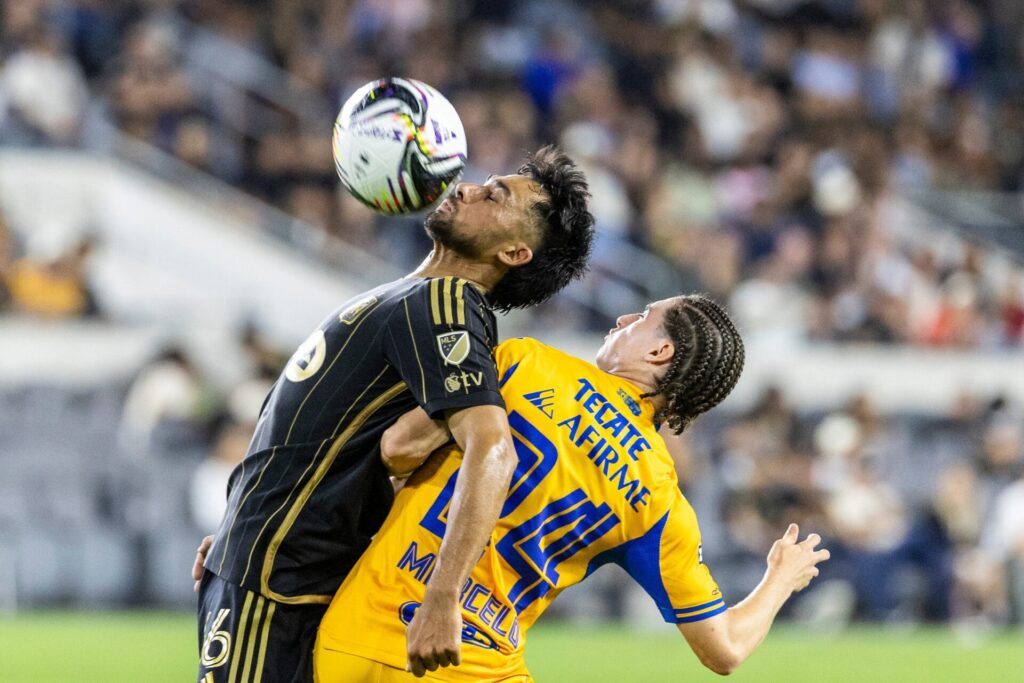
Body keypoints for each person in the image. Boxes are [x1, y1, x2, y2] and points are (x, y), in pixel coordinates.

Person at [193, 146, 594, 683]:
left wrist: (443, 595)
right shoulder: (415, 296)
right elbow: (322, 429)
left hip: (282, 579)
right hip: (265, 561)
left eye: (494, 196)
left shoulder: (447, 302)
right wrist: (239, 519)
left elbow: (493, 446)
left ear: (516, 253)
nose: (469, 187)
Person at [312, 294, 830, 681]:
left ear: (660, 350)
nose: (625, 319)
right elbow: (724, 650)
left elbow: (397, 449)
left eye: (642, 316)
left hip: (359, 634)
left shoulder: (525, 363)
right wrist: (781, 577)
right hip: (473, 664)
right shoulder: (659, 501)